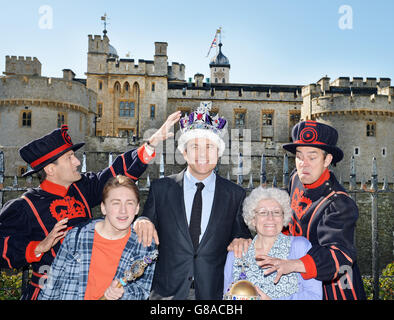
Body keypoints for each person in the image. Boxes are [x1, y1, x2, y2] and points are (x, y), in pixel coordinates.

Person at [0, 111, 180, 300]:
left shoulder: (83, 188)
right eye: (69, 158)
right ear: (50, 169)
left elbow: (116, 173)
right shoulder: (25, 206)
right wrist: (38, 247)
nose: (77, 162)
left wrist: (151, 143)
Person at [134, 102, 252, 299]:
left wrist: (241, 238)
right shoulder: (161, 188)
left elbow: (240, 232)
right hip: (167, 293)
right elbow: (147, 220)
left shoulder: (235, 194)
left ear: (219, 152)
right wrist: (142, 221)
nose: (203, 154)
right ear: (184, 152)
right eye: (195, 147)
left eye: (210, 147)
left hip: (212, 293)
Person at [256, 120, 366, 300]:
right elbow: (287, 216)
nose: (303, 164)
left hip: (332, 287)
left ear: (327, 160)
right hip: (294, 277)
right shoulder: (295, 179)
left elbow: (339, 255)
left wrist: (293, 264)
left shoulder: (338, 203)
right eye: (299, 156)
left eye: (312, 157)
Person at [38, 175, 157, 300]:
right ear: (103, 208)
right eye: (116, 203)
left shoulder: (144, 244)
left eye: (129, 203)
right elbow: (51, 286)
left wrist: (123, 293)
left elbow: (143, 291)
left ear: (137, 208)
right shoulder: (76, 237)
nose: (123, 211)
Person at [223, 187, 322, 300]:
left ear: (284, 217)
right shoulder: (237, 253)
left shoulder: (300, 247)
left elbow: (315, 296)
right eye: (263, 212)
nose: (270, 218)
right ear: (253, 219)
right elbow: (226, 296)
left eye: (276, 212)